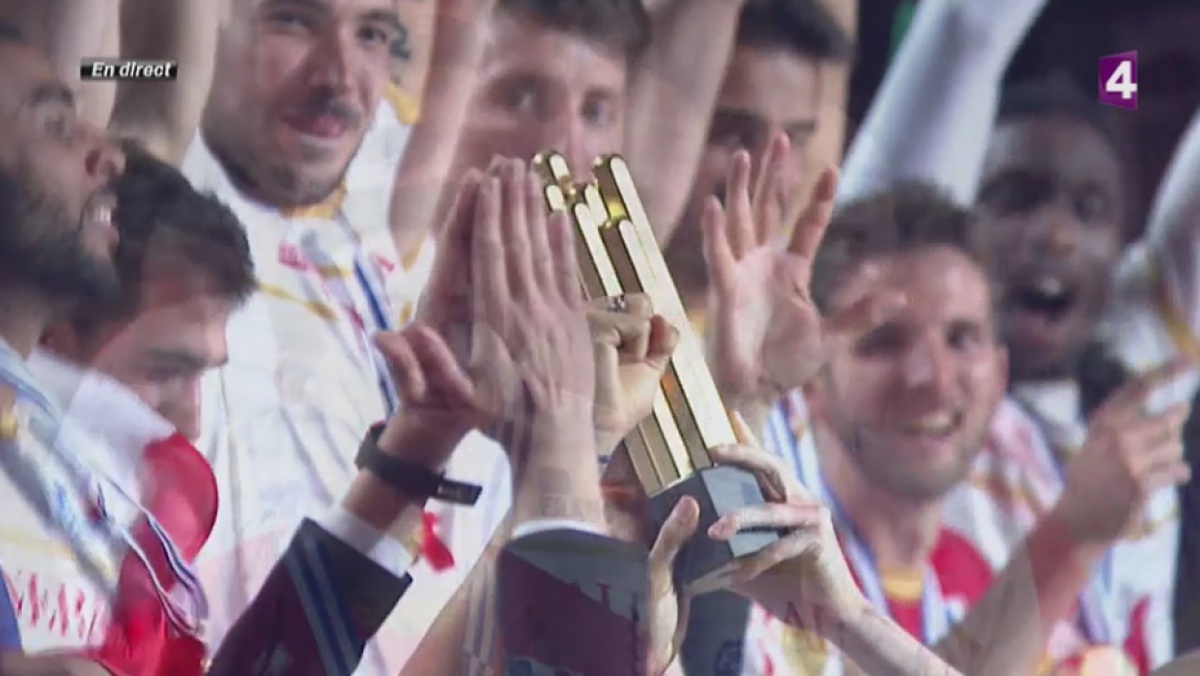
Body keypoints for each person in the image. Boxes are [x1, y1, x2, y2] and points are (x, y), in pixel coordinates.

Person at [659, 0, 853, 318]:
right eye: (733, 134)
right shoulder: (599, 313)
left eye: (795, 139)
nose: (770, 171)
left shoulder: (795, 327)